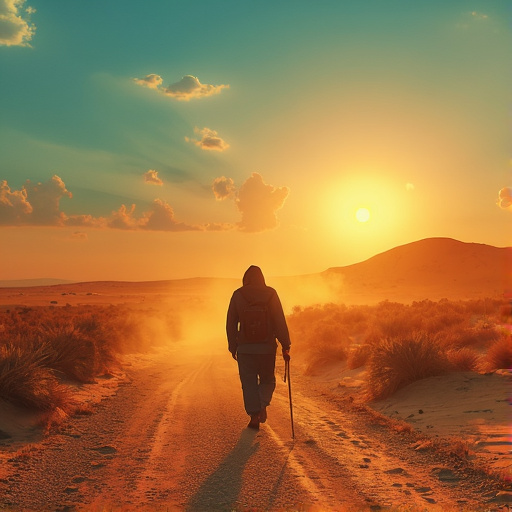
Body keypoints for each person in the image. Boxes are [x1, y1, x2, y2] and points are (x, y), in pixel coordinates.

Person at [226, 265, 291, 430]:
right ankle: (262, 404)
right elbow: (279, 320)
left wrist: (233, 346)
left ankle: (254, 415)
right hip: (267, 349)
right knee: (268, 380)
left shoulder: (238, 294)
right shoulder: (271, 294)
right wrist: (285, 344)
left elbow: (231, 323)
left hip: (245, 350)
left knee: (248, 383)